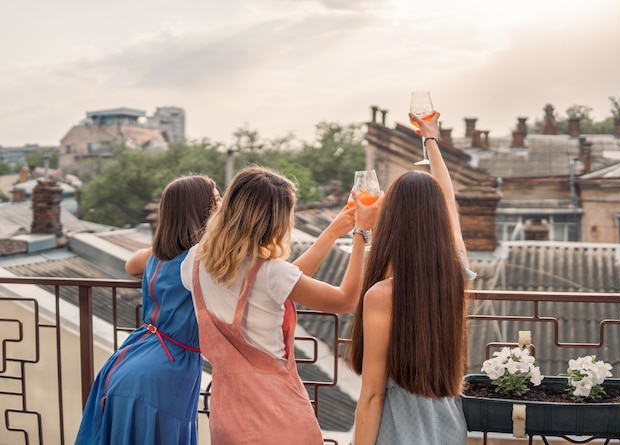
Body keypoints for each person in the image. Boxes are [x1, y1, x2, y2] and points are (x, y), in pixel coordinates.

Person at [179, 165, 383, 444]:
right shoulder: (270, 273)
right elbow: (345, 300)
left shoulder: (194, 261)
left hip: (229, 415)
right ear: (274, 221)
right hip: (278, 415)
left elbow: (279, 283)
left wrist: (333, 230)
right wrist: (361, 232)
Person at [345, 111, 476, 445]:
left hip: (400, 430)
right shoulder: (455, 274)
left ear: (391, 222)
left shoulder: (383, 296)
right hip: (446, 424)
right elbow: (449, 201)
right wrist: (430, 139)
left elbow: (373, 395)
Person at [75, 174, 222, 445]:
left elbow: (131, 266)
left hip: (129, 362)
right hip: (164, 374)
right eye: (216, 199)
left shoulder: (155, 256)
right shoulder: (203, 259)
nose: (223, 204)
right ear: (204, 209)